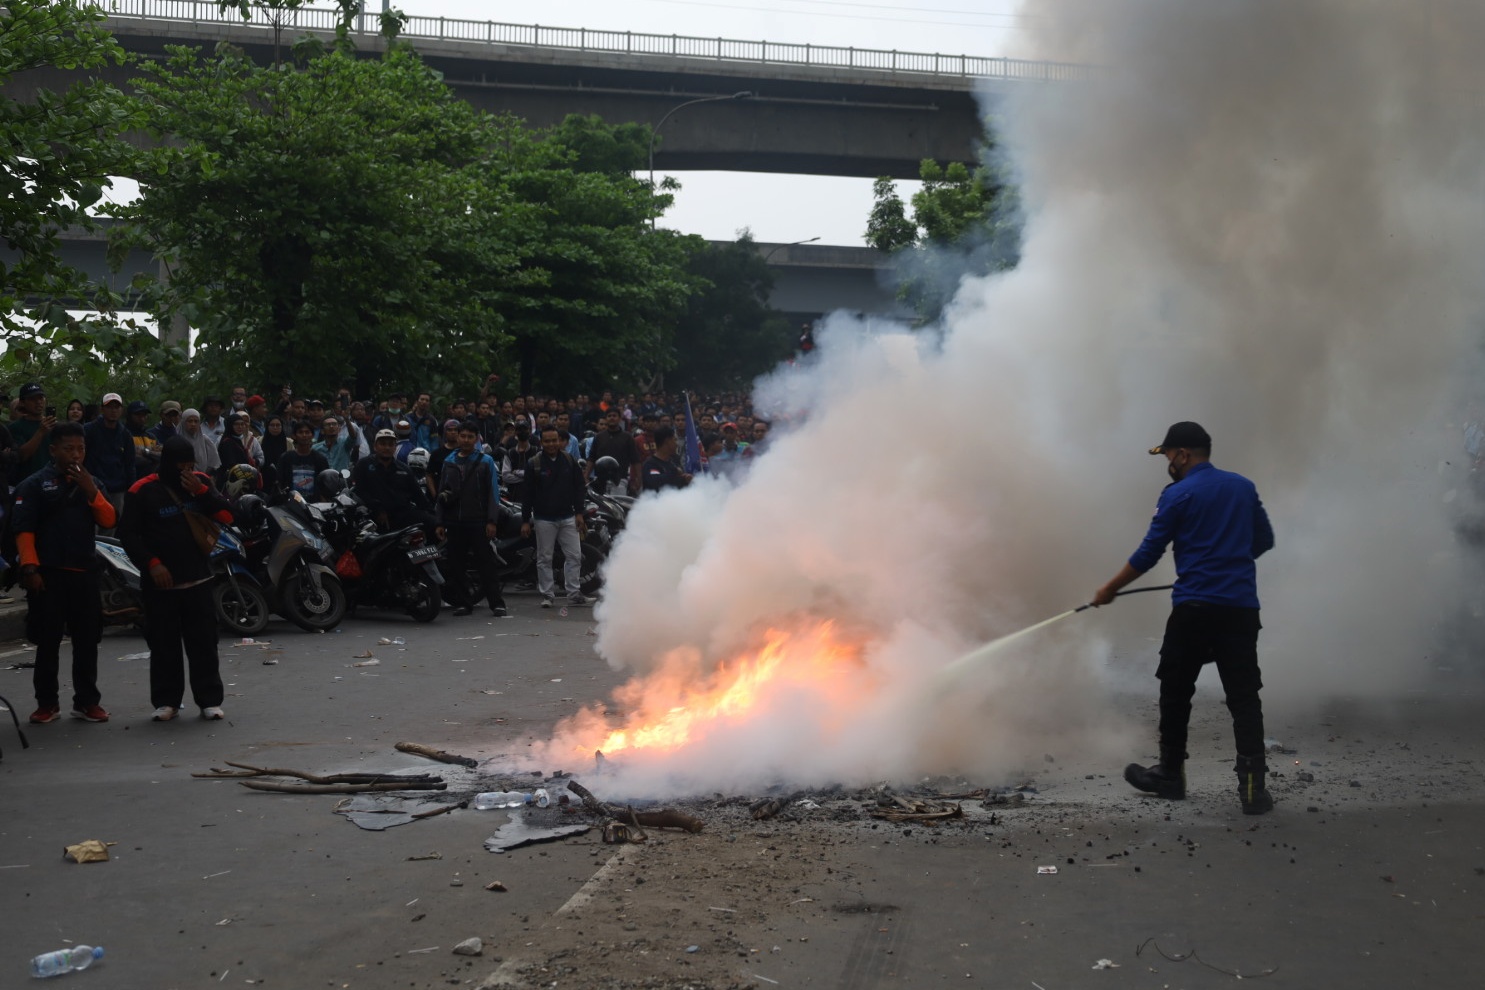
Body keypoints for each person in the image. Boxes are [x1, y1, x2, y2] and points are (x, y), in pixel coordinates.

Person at [1092, 421, 1276, 815]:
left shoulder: (1177, 494)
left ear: (1183, 455)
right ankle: (1252, 789)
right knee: (1244, 698)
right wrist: (1230, 564)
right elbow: (1264, 540)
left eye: (1168, 457)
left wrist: (1110, 588)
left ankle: (1170, 776)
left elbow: (1148, 553)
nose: (1168, 465)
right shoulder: (1243, 487)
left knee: (1175, 692)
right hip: (1241, 608)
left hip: (1194, 608)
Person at [119, 436, 234, 721]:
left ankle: (209, 700)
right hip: (161, 584)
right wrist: (152, 564)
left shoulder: (200, 481)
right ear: (167, 463)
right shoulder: (141, 490)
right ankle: (166, 701)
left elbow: (228, 515)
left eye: (189, 465)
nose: (185, 471)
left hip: (198, 579)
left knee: (204, 643)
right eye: (179, 465)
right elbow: (128, 535)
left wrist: (201, 492)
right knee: (163, 644)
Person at [12, 423, 116, 724]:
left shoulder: (91, 482)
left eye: (80, 449)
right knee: (48, 643)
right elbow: (24, 530)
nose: (75, 455)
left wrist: (91, 490)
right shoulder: (34, 484)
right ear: (53, 449)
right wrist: (30, 568)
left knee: (87, 641)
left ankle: (86, 702)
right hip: (48, 575)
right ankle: (46, 704)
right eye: (69, 449)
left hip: (84, 572)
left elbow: (108, 519)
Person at [436, 421, 507, 617]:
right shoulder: (449, 461)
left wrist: (492, 520)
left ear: (476, 439)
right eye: (463, 436)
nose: (466, 440)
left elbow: (494, 493)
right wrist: (440, 521)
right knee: (456, 565)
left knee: (486, 564)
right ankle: (464, 603)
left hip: (479, 521)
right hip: (454, 521)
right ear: (457, 437)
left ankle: (497, 603)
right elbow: (442, 492)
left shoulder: (486, 461)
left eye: (470, 437)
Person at [522, 426, 589, 608]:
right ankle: (547, 595)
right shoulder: (534, 463)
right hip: (544, 518)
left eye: (554, 440)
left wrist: (579, 513)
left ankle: (574, 593)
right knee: (545, 558)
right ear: (541, 442)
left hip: (568, 517)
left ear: (560, 441)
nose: (551, 444)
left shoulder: (569, 460)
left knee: (575, 556)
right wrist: (525, 520)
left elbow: (579, 488)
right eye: (547, 441)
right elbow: (527, 494)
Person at [351, 429, 435, 533]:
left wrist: (435, 517)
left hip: (403, 515)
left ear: (395, 447)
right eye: (383, 444)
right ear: (375, 446)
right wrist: (378, 510)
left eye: (391, 444)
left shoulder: (404, 469)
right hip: (374, 517)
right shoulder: (363, 465)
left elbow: (419, 496)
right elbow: (360, 491)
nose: (387, 447)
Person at [83, 392, 136, 524]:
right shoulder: (89, 430)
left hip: (117, 489)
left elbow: (130, 463)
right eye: (109, 407)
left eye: (117, 407)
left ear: (121, 410)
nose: (113, 410)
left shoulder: (125, 434)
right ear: (102, 409)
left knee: (111, 524)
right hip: (94, 487)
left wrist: (132, 490)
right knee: (91, 525)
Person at [9, 382, 55, 485]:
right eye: (32, 399)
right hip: (26, 484)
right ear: (22, 402)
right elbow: (21, 456)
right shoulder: (15, 428)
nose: (38, 402)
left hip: (52, 482)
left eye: (41, 398)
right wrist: (40, 432)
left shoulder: (54, 426)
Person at [587, 408, 639, 494]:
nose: (612, 418)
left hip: (620, 480)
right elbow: (592, 458)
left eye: (614, 416)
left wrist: (638, 479)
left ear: (619, 418)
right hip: (600, 480)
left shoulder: (627, 437)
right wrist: (586, 476)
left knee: (618, 506)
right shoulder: (599, 437)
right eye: (609, 416)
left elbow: (635, 460)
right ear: (606, 418)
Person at [276, 421, 330, 498]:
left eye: (307, 432)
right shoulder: (286, 458)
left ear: (312, 435)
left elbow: (325, 483)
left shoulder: (320, 459)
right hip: (290, 503)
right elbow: (280, 482)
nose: (304, 435)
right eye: (300, 432)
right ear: (294, 436)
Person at [641, 425, 692, 492]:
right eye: (675, 440)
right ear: (667, 441)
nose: (676, 444)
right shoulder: (650, 464)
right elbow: (656, 483)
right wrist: (674, 471)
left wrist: (685, 479)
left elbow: (675, 482)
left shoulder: (675, 460)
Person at [216, 411, 262, 484]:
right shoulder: (227, 442)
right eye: (236, 424)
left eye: (242, 424)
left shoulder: (236, 440)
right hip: (232, 482)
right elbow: (231, 465)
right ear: (230, 425)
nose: (240, 427)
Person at [179, 408, 221, 476]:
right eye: (190, 421)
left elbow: (214, 464)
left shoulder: (205, 440)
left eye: (196, 421)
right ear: (183, 422)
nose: (193, 424)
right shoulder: (176, 441)